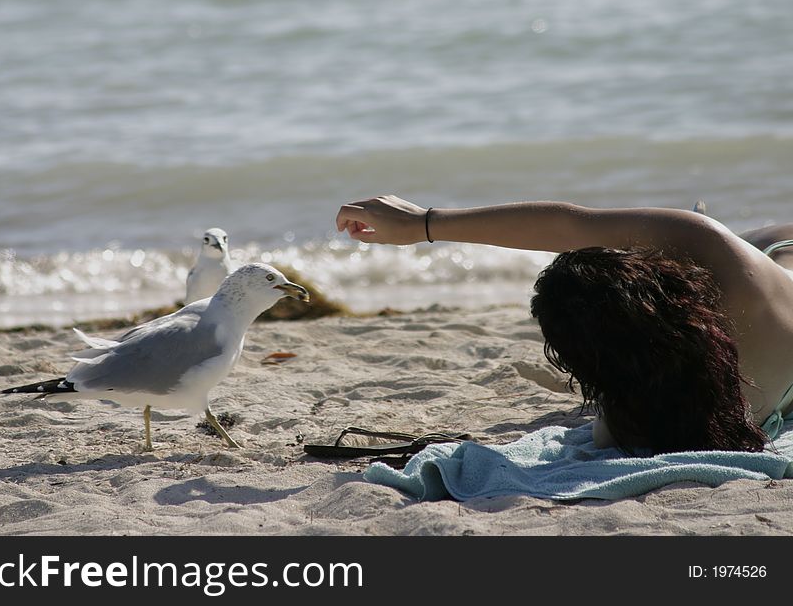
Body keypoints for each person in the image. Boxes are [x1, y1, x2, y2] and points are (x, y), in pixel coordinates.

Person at [335, 195, 793, 454]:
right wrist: (423, 224)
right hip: (772, 267)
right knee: (740, 237)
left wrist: (423, 224)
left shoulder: (637, 420)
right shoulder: (721, 259)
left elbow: (569, 228)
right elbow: (569, 225)